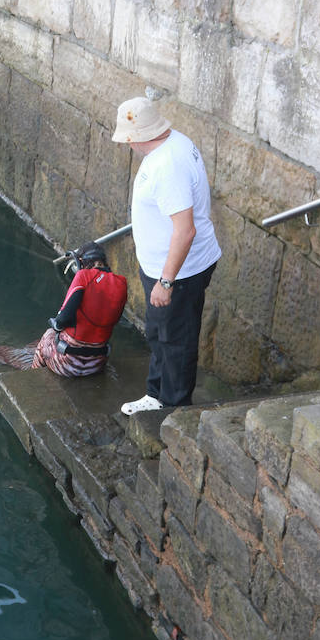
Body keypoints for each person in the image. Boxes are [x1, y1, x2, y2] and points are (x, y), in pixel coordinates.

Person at [112, 96, 221, 413]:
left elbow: (185, 230)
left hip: (179, 274)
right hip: (167, 269)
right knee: (161, 334)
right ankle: (156, 393)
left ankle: (174, 411)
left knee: (176, 342)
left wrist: (166, 281)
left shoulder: (167, 166)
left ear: (136, 137)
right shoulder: (174, 142)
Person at [0, 242, 127, 376]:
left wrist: (55, 322)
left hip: (67, 365)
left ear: (82, 262)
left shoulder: (84, 276)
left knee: (49, 334)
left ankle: (33, 374)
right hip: (97, 364)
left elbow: (61, 321)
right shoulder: (121, 282)